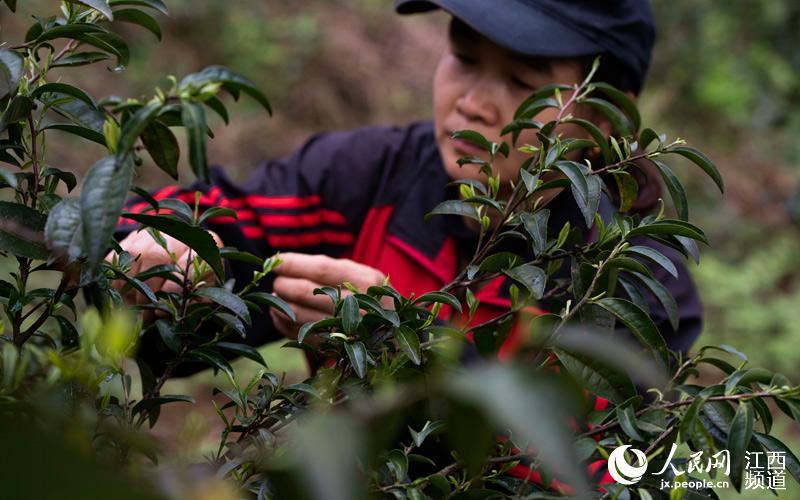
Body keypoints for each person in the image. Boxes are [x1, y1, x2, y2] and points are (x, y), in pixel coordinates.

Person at [117, 1, 701, 378]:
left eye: (522, 81)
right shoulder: (371, 176)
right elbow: (220, 221)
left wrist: (412, 352)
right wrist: (162, 256)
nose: (472, 102)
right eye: (463, 58)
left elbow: (615, 468)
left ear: (603, 123)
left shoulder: (630, 278)